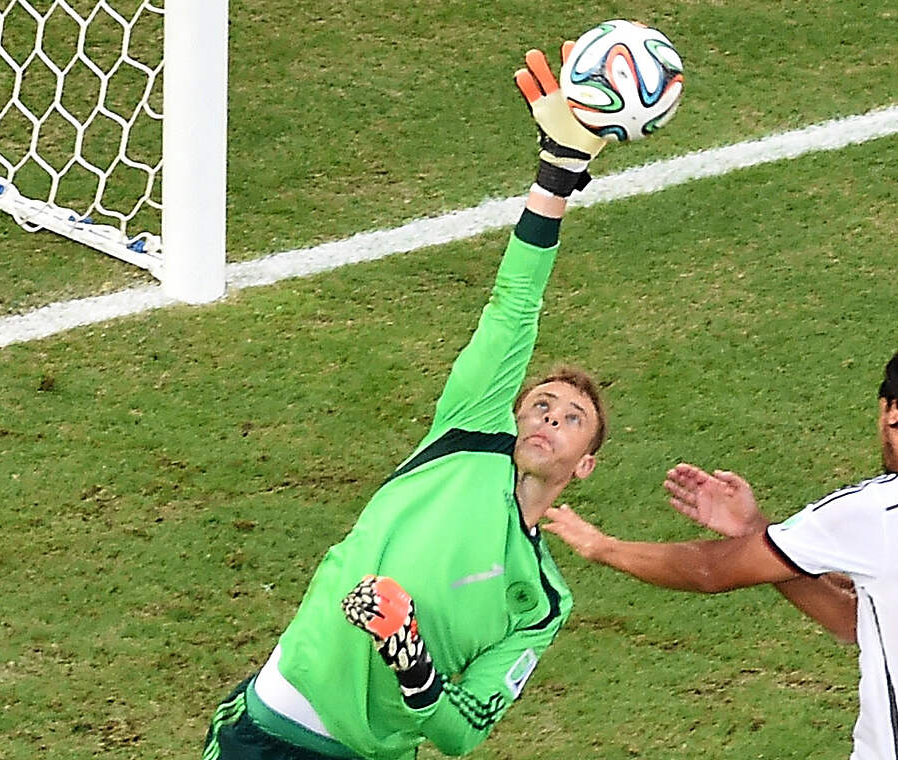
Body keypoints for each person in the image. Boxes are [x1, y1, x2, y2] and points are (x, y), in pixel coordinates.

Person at [203, 43, 615, 760]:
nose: (549, 417)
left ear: (583, 468)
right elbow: (514, 305)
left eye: (571, 419)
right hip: (272, 731)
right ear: (512, 413)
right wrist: (558, 174)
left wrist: (412, 659)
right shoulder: (466, 435)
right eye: (541, 404)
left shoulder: (541, 600)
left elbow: (460, 733)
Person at [543, 306, 898, 760]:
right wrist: (758, 531)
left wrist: (602, 546)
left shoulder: (884, 509)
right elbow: (861, 622)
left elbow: (711, 570)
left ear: (894, 411)